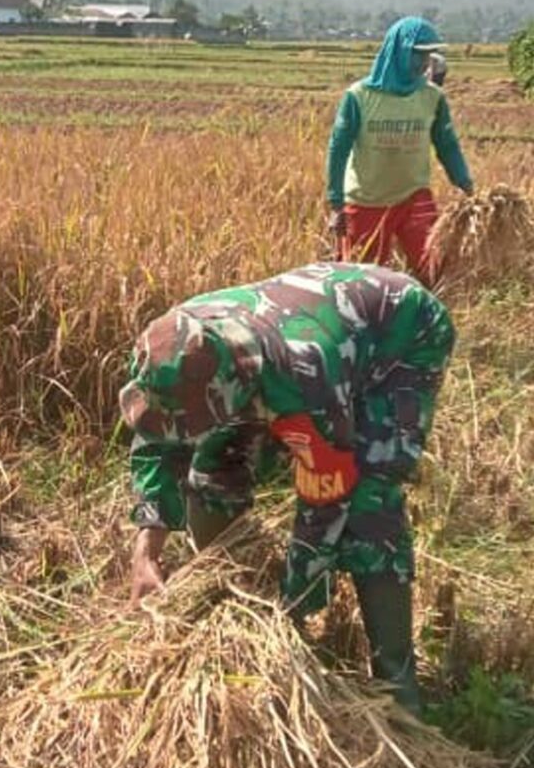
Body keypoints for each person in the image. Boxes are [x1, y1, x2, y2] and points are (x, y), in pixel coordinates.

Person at [121, 263, 455, 713]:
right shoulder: (168, 350)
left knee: (369, 499)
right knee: (214, 468)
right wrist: (147, 549)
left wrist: (290, 610)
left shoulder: (304, 376)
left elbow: (326, 500)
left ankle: (396, 685)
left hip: (399, 334)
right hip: (302, 333)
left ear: (237, 388)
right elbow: (156, 440)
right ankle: (227, 585)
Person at [327, 16, 473, 287]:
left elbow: (446, 142)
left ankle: (427, 325)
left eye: (428, 55)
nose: (424, 63)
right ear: (399, 51)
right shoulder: (359, 97)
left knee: (434, 270)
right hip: (366, 200)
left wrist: (464, 181)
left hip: (414, 196)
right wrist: (336, 203)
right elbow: (338, 149)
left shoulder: (432, 96)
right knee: (362, 283)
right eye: (418, 54)